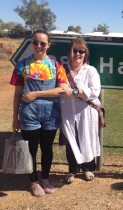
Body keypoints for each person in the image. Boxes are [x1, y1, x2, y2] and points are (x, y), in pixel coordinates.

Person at [10, 30, 68, 197]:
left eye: (43, 43)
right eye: (35, 42)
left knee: (47, 148)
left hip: (50, 114)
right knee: (31, 150)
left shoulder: (56, 66)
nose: (39, 46)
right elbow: (17, 94)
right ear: (31, 43)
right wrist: (15, 119)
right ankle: (33, 182)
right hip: (29, 115)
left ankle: (45, 179)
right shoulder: (22, 65)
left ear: (48, 45)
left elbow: (62, 90)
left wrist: (36, 94)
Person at [59, 37, 101, 184]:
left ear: (85, 53)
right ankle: (72, 169)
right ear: (70, 52)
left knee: (87, 138)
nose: (78, 54)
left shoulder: (90, 71)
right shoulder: (62, 70)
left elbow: (95, 91)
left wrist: (76, 92)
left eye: (81, 51)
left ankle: (87, 168)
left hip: (86, 112)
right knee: (71, 140)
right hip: (67, 112)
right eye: (75, 50)